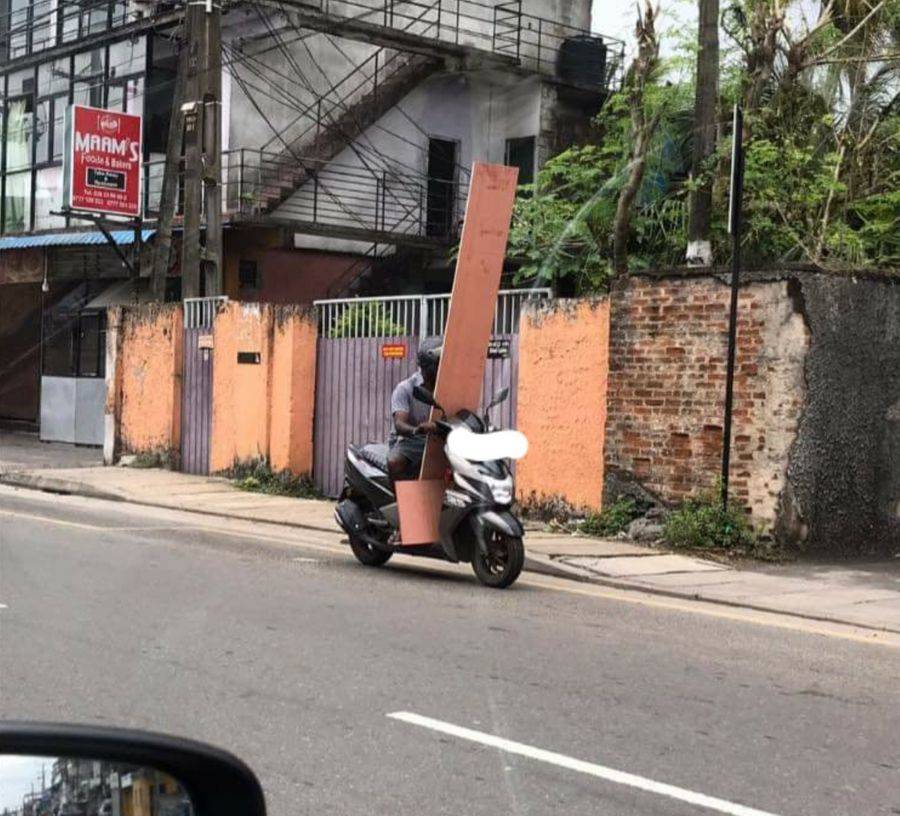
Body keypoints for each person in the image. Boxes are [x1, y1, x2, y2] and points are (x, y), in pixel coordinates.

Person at [387, 338, 442, 488]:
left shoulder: (446, 386)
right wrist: (418, 429)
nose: (442, 367)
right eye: (438, 364)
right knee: (394, 462)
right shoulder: (405, 388)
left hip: (438, 438)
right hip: (410, 440)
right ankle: (401, 502)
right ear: (428, 367)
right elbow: (399, 424)